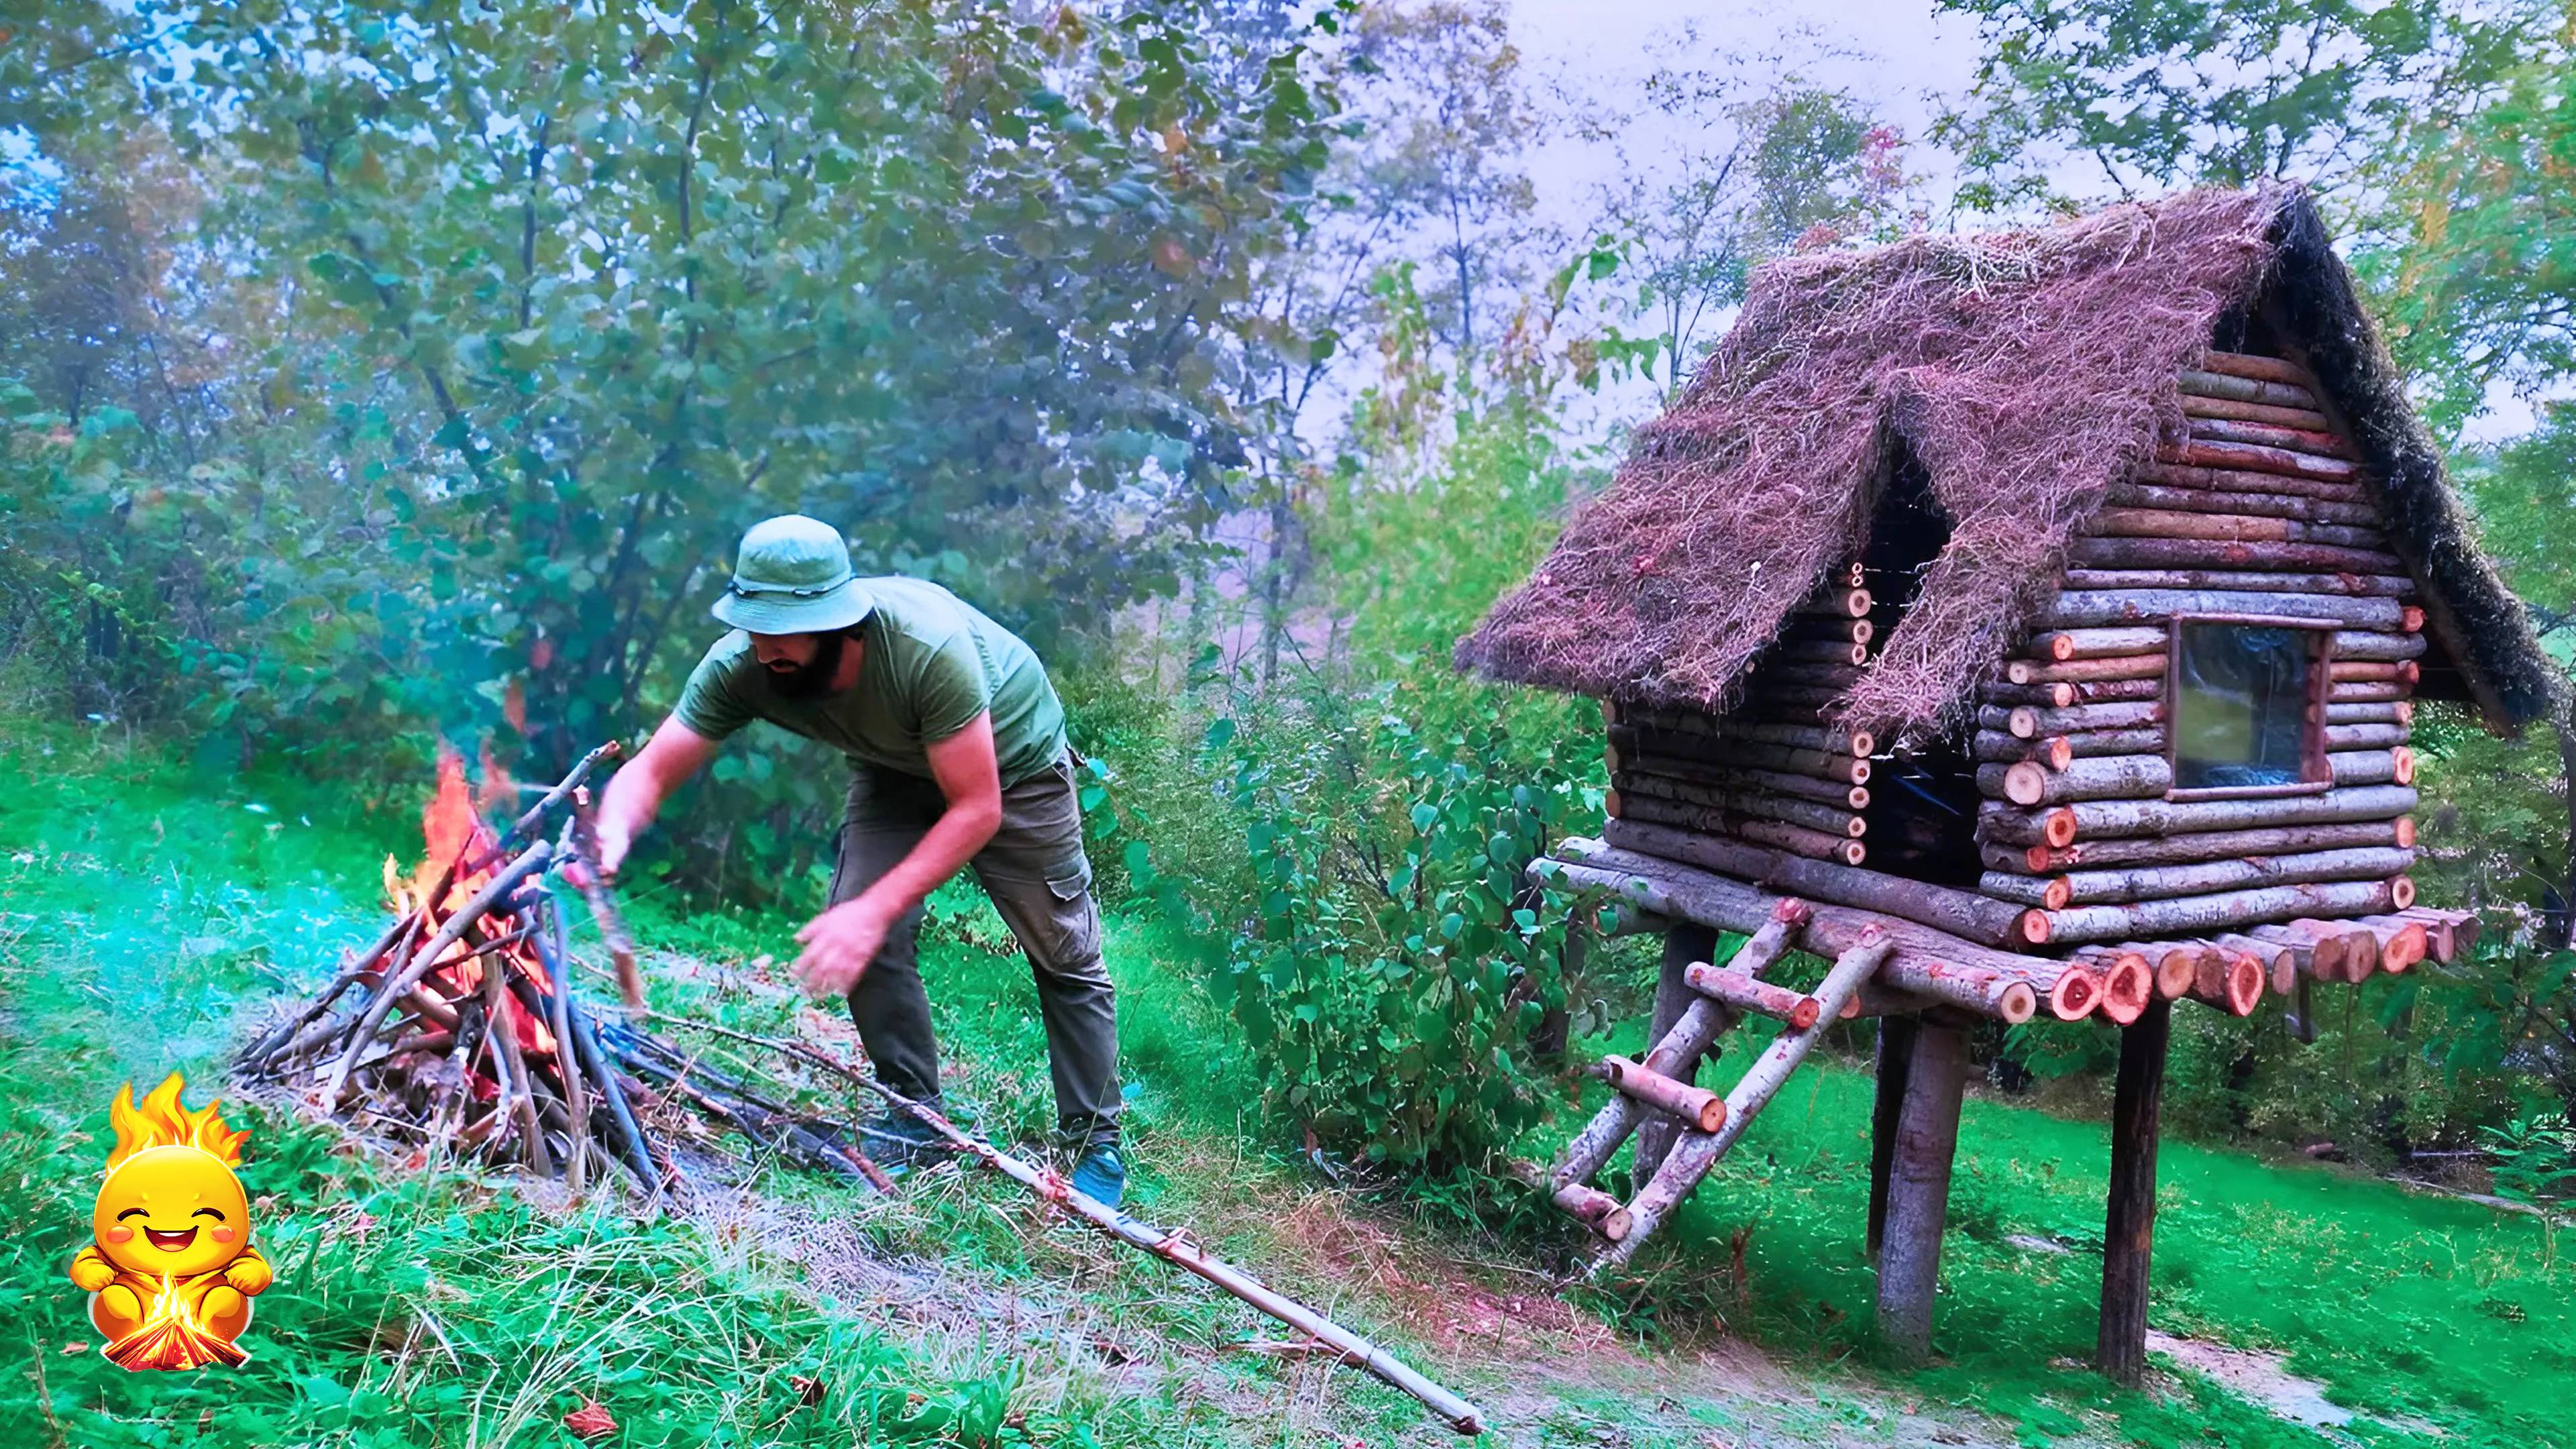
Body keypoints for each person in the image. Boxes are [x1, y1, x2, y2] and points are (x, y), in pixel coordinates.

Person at [592, 515, 1126, 1205]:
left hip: (1013, 766)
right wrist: (610, 827)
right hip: (894, 767)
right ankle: (915, 1116)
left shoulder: (927, 651)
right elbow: (653, 770)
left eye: (783, 631)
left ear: (840, 623)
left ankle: (1095, 1144)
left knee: (1064, 952)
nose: (765, 649)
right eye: (754, 625)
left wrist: (878, 909)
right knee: (857, 927)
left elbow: (976, 809)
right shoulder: (743, 664)